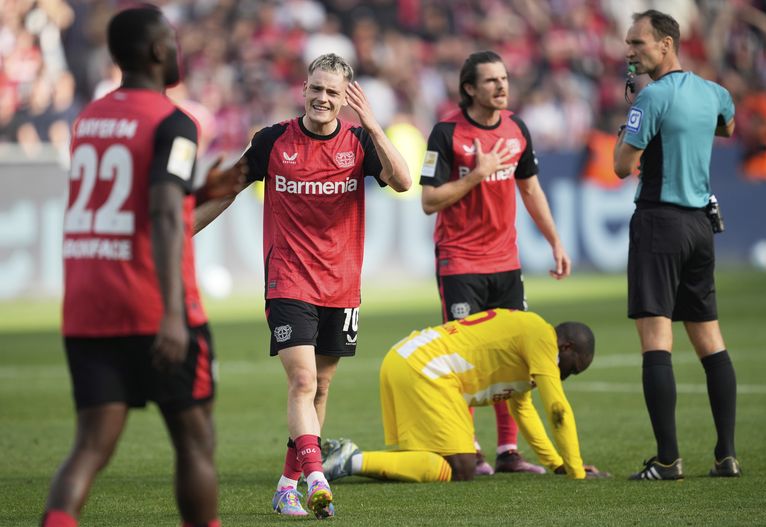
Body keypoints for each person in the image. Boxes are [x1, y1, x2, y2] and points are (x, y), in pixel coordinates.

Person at [41, 6, 244, 527]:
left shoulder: (90, 118)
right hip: (150, 302)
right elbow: (159, 212)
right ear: (157, 52)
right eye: (171, 42)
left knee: (90, 445)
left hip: (87, 303)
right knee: (196, 438)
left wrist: (195, 193)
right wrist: (173, 313)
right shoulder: (174, 122)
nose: (177, 49)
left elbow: (134, 197)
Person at [194, 53, 411, 518]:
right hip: (288, 278)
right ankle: (317, 480)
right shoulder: (273, 141)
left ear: (346, 98)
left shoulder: (359, 142)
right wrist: (179, 233)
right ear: (304, 89)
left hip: (341, 283)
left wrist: (373, 124)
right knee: (302, 379)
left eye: (333, 92)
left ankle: (286, 484)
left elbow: (404, 181)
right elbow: (228, 189)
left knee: (322, 388)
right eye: (317, 89)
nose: (323, 99)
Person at [419, 50, 571, 475]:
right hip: (460, 262)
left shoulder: (517, 130)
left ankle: (507, 451)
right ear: (469, 88)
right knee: (464, 361)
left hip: (505, 262)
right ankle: (470, 451)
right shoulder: (447, 132)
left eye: (504, 79)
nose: (501, 86)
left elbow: (531, 189)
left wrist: (555, 240)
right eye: (490, 81)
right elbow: (429, 201)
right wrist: (475, 175)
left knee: (510, 356)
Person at [613, 10, 740, 480]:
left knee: (656, 343)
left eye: (638, 43)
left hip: (659, 223)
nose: (630, 51)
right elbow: (727, 126)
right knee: (710, 340)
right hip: (700, 227)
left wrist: (629, 119)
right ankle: (726, 455)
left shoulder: (652, 97)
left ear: (666, 44)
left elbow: (621, 166)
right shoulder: (714, 92)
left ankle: (667, 460)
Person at [319, 308, 607, 482]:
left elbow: (524, 410)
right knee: (461, 467)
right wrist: (576, 472)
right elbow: (558, 409)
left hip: (406, 359)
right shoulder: (543, 338)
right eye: (575, 368)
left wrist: (557, 464)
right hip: (426, 367)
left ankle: (347, 459)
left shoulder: (531, 349)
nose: (569, 375)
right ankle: (351, 459)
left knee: (430, 459)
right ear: (566, 347)